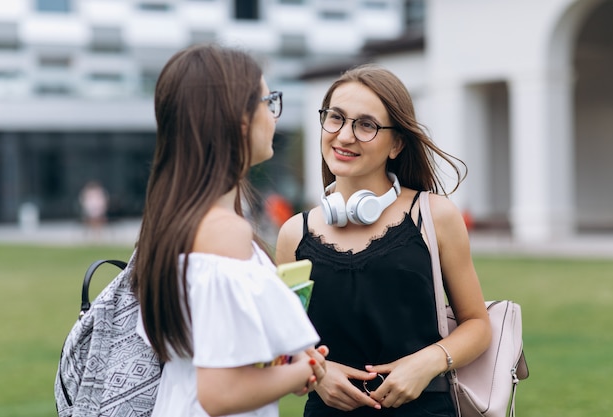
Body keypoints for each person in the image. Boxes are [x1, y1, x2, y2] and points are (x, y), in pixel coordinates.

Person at [276, 64, 492, 417]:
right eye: (336, 118)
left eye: (366, 125)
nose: (345, 136)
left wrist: (427, 362)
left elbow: (477, 325)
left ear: (396, 144)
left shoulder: (434, 216)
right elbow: (284, 339)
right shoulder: (293, 234)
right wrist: (318, 372)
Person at [131, 44, 328, 417]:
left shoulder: (174, 220)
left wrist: (284, 364)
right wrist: (305, 370)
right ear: (238, 119)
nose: (273, 116)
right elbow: (220, 393)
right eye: (268, 101)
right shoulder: (223, 233)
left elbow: (209, 351)